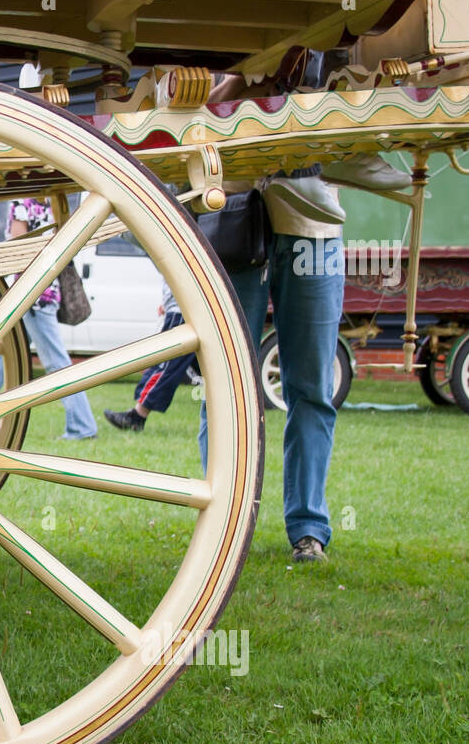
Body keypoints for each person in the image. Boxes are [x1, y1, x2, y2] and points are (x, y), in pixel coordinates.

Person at [199, 167, 346, 563]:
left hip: (314, 225)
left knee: (312, 388)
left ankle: (309, 530)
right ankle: (223, 524)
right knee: (225, 384)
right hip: (234, 216)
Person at [0, 197, 98, 440]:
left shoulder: (22, 206)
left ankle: (83, 426)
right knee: (0, 360)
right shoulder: (52, 206)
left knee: (56, 363)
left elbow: (19, 250)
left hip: (31, 296)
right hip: (45, 292)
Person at [104, 277, 198, 432]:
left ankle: (137, 416)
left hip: (181, 311)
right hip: (178, 309)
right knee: (173, 365)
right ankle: (137, 415)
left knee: (165, 366)